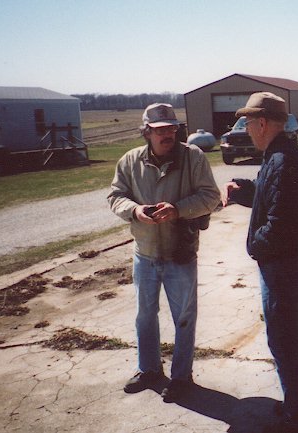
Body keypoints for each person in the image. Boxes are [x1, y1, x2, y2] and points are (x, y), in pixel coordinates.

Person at [220, 92, 298, 433]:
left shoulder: (283, 160)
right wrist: (240, 189)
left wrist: (254, 247)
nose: (246, 129)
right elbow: (269, 194)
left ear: (262, 123)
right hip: (288, 262)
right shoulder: (280, 155)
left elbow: (280, 221)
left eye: (248, 122)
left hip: (284, 266)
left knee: (284, 339)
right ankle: (297, 405)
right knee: (286, 337)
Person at [108, 102, 220, 403]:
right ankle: (149, 370)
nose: (167, 134)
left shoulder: (193, 157)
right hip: (144, 253)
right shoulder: (130, 161)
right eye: (159, 130)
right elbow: (115, 196)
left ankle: (182, 377)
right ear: (147, 132)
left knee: (184, 317)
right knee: (144, 315)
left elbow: (211, 196)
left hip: (180, 254)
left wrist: (179, 209)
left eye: (171, 128)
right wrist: (135, 211)